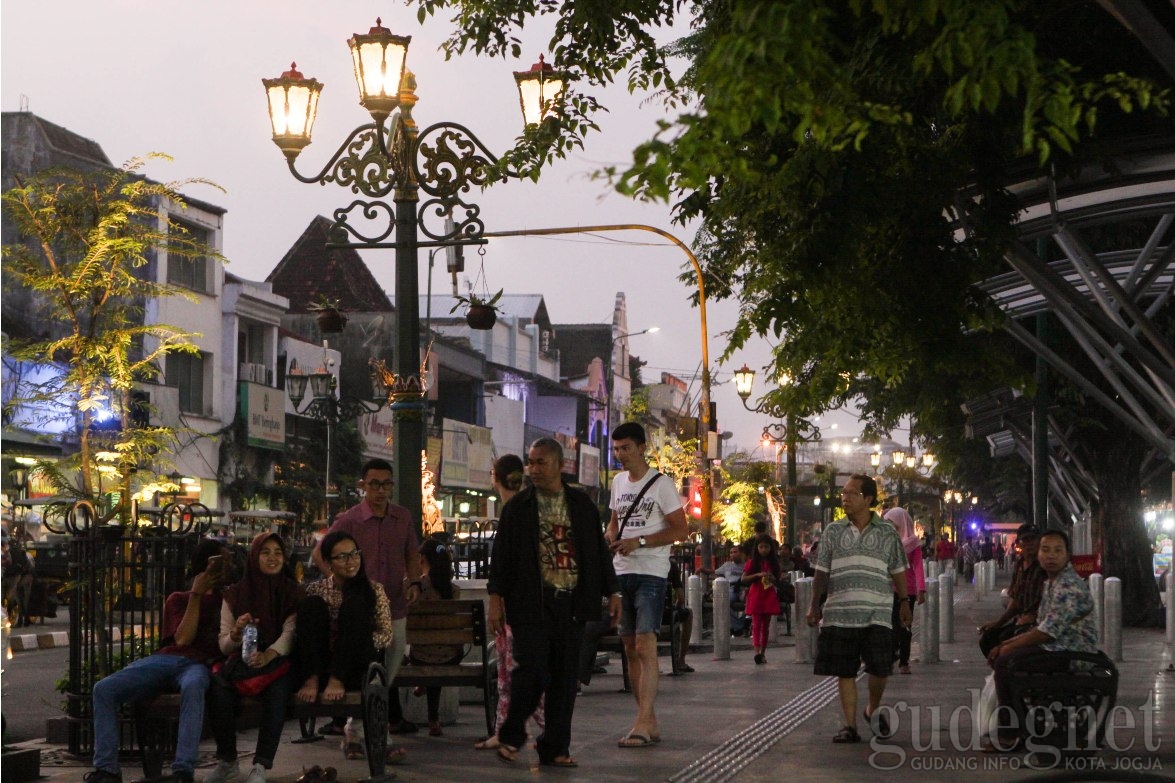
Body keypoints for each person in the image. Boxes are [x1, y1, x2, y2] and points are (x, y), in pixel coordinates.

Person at [487, 437, 621, 767]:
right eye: (530, 462)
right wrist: (495, 598)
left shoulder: (581, 505)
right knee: (531, 669)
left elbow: (599, 552)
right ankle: (512, 734)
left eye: (540, 462)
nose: (533, 469)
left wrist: (613, 591)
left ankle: (556, 747)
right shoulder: (518, 508)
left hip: (572, 604)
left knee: (563, 677)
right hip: (530, 603)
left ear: (561, 465)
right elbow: (501, 557)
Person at [85, 540, 228, 783]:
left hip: (199, 664)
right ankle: (107, 769)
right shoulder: (179, 599)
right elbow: (182, 640)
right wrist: (196, 594)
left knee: (194, 687)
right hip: (166, 659)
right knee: (104, 689)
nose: (227, 567)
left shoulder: (228, 600)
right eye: (221, 562)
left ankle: (183, 770)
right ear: (206, 565)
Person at [314, 457, 422, 736]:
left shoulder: (403, 517)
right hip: (361, 605)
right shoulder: (350, 519)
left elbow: (412, 553)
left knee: (395, 657)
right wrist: (337, 581)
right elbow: (320, 552)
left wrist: (414, 582)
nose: (381, 490)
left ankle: (369, 710)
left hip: (395, 602)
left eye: (387, 484)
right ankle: (363, 722)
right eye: (374, 484)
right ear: (363, 485)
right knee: (366, 659)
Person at [806, 474, 910, 744]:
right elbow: (821, 572)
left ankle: (873, 708)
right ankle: (849, 726)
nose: (845, 497)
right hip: (840, 610)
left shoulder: (887, 532)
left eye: (851, 493)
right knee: (845, 670)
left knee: (880, 667)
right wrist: (814, 604)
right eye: (844, 492)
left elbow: (899, 570)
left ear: (868, 499)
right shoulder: (832, 531)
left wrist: (905, 601)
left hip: (878, 610)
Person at [604, 422, 689, 748]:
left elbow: (680, 529)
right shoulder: (617, 482)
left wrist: (639, 541)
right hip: (621, 571)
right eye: (616, 449)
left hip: (651, 572)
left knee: (645, 643)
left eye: (625, 448)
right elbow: (614, 521)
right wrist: (611, 538)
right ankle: (647, 719)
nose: (620, 455)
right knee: (628, 645)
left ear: (641, 447)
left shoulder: (661, 484)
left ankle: (642, 721)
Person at [984, 529, 1098, 752]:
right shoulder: (1051, 582)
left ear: (1067, 555)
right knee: (1006, 660)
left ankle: (1011, 733)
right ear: (1039, 554)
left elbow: (1047, 631)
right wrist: (1007, 644)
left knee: (1006, 662)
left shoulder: (1068, 585)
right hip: (1055, 648)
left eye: (1058, 550)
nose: (1051, 555)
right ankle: (1021, 726)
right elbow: (1041, 624)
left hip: (1071, 653)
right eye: (1045, 550)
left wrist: (1007, 646)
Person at [297, 530, 404, 763]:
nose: (351, 561)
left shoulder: (373, 590)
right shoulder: (318, 590)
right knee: (311, 605)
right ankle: (312, 678)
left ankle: (339, 683)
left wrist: (356, 641)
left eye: (354, 554)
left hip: (358, 666)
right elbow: (308, 632)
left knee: (355, 607)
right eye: (342, 557)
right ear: (328, 563)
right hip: (325, 661)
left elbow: (386, 635)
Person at [206, 533, 301, 783]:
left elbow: (291, 632)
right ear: (254, 556)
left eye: (278, 553)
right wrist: (236, 633)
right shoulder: (235, 594)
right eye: (265, 552)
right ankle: (227, 761)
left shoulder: (292, 592)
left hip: (279, 660)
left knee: (278, 692)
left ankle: (260, 764)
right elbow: (224, 646)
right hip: (243, 661)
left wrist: (269, 655)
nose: (272, 558)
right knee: (218, 689)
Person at [476, 454, 545, 749]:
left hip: (515, 605)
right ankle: (512, 728)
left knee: (513, 669)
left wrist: (496, 599)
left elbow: (503, 566)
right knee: (516, 669)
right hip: (531, 603)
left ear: (495, 478)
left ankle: (521, 728)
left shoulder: (513, 511)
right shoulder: (532, 508)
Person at [411, 540, 465, 736]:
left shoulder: (416, 589)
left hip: (421, 656)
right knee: (440, 651)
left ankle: (424, 689)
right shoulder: (454, 591)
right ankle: (434, 720)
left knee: (424, 653)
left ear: (422, 559)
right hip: (452, 656)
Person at [977, 524, 1046, 657]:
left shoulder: (1043, 566)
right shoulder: (1020, 566)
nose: (1029, 544)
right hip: (1021, 620)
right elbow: (1014, 600)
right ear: (1019, 543)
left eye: (1033, 540)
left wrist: (1034, 618)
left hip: (1038, 623)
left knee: (1004, 644)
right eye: (1025, 540)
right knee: (988, 638)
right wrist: (998, 623)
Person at [884, 506, 926, 675]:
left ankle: (904, 661)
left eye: (893, 524)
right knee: (891, 625)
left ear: (902, 524)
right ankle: (891, 656)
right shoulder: (886, 542)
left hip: (908, 591)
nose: (890, 528)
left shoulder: (913, 544)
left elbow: (918, 567)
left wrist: (921, 589)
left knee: (905, 626)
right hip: (889, 589)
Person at [742, 534, 782, 665]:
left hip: (768, 595)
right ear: (757, 548)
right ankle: (757, 651)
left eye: (766, 547)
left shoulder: (774, 564)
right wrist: (758, 574)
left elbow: (778, 579)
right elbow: (744, 579)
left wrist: (772, 578)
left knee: (766, 626)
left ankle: (763, 652)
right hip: (756, 595)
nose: (764, 550)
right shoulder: (751, 563)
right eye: (761, 547)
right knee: (756, 625)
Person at [714, 545, 749, 636]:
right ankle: (738, 626)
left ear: (741, 553)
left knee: (751, 603)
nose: (733, 554)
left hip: (744, 588)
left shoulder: (747, 565)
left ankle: (740, 625)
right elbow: (714, 572)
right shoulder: (727, 565)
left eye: (735, 552)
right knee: (724, 602)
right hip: (731, 588)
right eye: (731, 552)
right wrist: (701, 569)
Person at [666, 561, 694, 673]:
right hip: (664, 614)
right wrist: (674, 609)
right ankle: (681, 660)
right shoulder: (671, 565)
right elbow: (681, 598)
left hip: (636, 614)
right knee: (689, 613)